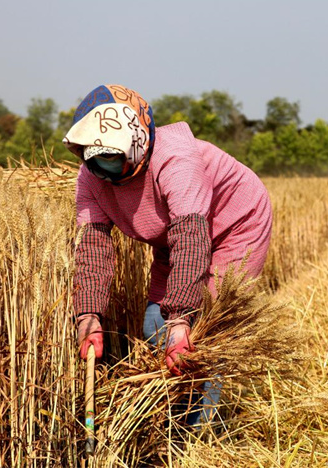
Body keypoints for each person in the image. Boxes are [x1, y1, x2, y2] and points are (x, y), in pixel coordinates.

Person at [63, 84, 273, 427]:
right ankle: (178, 409)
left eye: (112, 158)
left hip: (234, 224)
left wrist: (181, 320)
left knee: (204, 329)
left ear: (135, 145)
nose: (104, 170)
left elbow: (191, 237)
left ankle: (200, 429)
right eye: (95, 158)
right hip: (170, 235)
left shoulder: (176, 159)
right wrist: (88, 315)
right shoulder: (89, 179)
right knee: (153, 325)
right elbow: (93, 247)